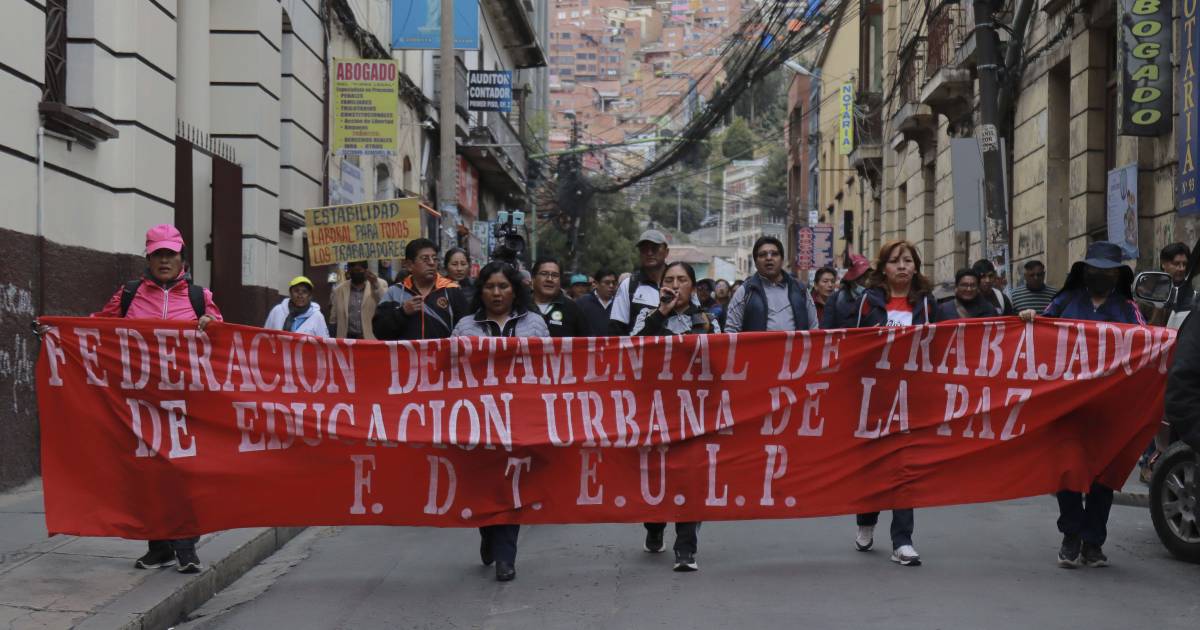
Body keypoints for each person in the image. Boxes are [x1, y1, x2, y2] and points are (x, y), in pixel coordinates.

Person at [93, 224, 222, 574]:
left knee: (182, 472)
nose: (164, 260)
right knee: (148, 474)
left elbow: (223, 338)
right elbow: (95, 327)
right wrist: (56, 330)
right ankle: (159, 547)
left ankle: (185, 547)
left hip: (186, 402)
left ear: (182, 258)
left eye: (171, 254)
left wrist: (212, 323)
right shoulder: (129, 295)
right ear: (148, 258)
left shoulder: (199, 297)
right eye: (158, 254)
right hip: (140, 402)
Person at [1018, 241, 1146, 569]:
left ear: (1117, 275)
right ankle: (1071, 534)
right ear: (1084, 271)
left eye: (1106, 271)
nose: (1099, 275)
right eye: (1094, 270)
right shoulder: (1065, 301)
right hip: (1068, 406)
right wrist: (1031, 318)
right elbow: (1042, 332)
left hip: (1109, 409)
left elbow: (1146, 344)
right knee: (1068, 472)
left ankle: (1093, 542)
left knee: (1104, 476)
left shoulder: (1127, 308)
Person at [451, 261, 550, 581]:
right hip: (477, 421)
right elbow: (449, 372)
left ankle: (506, 556)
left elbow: (550, 368)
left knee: (512, 485)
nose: (497, 293)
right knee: (483, 484)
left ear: (514, 290)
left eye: (503, 286)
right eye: (490, 287)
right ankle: (488, 534)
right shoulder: (466, 326)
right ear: (481, 291)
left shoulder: (534, 324)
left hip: (520, 422)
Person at [851, 240, 940, 567]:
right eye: (894, 261)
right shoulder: (867, 302)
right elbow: (852, 345)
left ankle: (902, 540)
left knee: (904, 468)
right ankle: (866, 517)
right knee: (875, 464)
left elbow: (947, 344)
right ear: (883, 268)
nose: (902, 266)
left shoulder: (928, 303)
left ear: (916, 266)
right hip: (874, 398)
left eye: (907, 260)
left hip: (912, 399)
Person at [634, 261, 719, 571]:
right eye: (669, 279)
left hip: (694, 412)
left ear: (693, 287)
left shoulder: (709, 321)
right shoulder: (648, 316)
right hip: (654, 411)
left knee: (690, 478)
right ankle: (654, 527)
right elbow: (635, 350)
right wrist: (663, 313)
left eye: (682, 279)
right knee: (657, 474)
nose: (675, 284)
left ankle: (686, 549)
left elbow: (721, 364)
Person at [374, 239, 469, 341]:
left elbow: (466, 331)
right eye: (425, 259)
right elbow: (379, 331)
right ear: (410, 265)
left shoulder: (451, 290)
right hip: (406, 356)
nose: (432, 263)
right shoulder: (394, 292)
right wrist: (402, 312)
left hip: (442, 356)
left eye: (434, 258)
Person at [724, 236, 819, 333]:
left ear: (782, 260)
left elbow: (814, 328)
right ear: (756, 262)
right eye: (762, 255)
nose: (769, 258)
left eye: (774, 254)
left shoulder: (800, 289)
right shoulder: (746, 291)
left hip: (796, 348)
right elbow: (731, 332)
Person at [609, 230, 671, 335]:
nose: (649, 253)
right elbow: (616, 329)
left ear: (666, 252)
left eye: (655, 248)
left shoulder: (679, 284)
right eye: (644, 249)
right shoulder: (628, 285)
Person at [530, 258, 591, 337]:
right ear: (533, 278)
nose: (549, 279)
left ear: (560, 281)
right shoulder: (520, 305)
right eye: (544, 274)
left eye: (555, 275)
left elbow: (587, 342)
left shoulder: (572, 308)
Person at [329, 261, 388, 340]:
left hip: (371, 339)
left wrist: (375, 284)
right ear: (349, 271)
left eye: (359, 270)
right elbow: (333, 319)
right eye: (354, 271)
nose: (356, 273)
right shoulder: (339, 290)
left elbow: (386, 305)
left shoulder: (379, 284)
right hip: (346, 341)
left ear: (366, 270)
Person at [263, 276, 329, 336]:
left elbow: (324, 342)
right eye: (296, 291)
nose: (300, 295)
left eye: (305, 292)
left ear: (309, 296)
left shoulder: (317, 316)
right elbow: (265, 335)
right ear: (290, 293)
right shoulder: (277, 311)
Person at [821, 254, 870, 329]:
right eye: (861, 278)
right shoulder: (835, 299)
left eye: (867, 277)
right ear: (853, 280)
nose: (866, 282)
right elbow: (826, 330)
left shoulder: (873, 298)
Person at [577, 268, 617, 335]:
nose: (611, 286)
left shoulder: (620, 304)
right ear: (596, 284)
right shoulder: (582, 303)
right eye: (607, 283)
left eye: (613, 283)